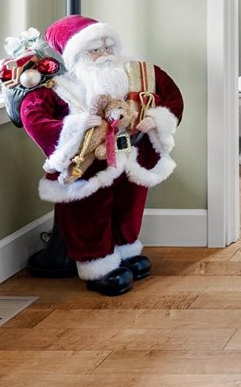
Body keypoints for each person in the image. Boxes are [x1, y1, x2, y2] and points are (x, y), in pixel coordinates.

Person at [19, 15, 183, 296]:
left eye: (108, 47)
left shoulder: (140, 72)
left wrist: (157, 119)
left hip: (131, 153)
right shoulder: (59, 86)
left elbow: (171, 95)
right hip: (87, 165)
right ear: (76, 54)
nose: (105, 54)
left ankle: (126, 250)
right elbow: (33, 115)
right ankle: (98, 264)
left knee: (129, 205)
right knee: (88, 212)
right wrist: (77, 126)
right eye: (95, 49)